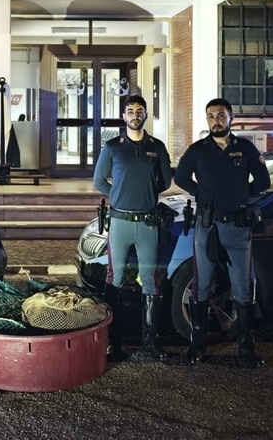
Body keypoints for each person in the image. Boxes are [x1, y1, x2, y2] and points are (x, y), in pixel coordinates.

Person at [174, 98, 271, 367]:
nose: (215, 120)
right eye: (211, 116)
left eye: (220, 115)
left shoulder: (245, 148)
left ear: (231, 118)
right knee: (201, 285)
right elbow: (181, 178)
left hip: (237, 228)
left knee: (242, 286)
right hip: (207, 226)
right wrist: (201, 194)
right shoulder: (197, 150)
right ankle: (197, 344)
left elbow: (263, 181)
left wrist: (241, 196)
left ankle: (246, 347)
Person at [93, 94, 172, 361]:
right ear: (123, 116)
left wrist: (144, 193)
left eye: (140, 111)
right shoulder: (113, 146)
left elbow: (164, 182)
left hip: (148, 223)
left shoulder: (157, 147)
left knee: (149, 279)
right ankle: (111, 342)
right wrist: (119, 195)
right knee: (114, 279)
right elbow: (99, 181)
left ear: (145, 114)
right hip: (120, 223)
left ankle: (150, 341)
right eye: (130, 111)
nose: (135, 115)